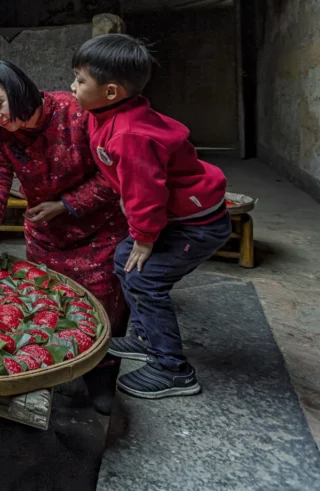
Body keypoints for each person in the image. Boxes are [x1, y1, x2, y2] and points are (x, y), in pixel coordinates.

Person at [0, 60, 128, 413]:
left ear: (18, 90)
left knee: (103, 310)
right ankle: (54, 371)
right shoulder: (2, 137)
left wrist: (65, 204)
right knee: (49, 308)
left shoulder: (77, 113)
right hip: (45, 237)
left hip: (99, 236)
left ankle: (102, 378)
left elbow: (115, 175)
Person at [71, 34, 231, 399]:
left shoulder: (129, 133)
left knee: (145, 279)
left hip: (196, 223)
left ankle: (173, 370)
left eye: (81, 81)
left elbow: (147, 192)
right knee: (124, 260)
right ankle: (144, 337)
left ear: (111, 92)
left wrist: (144, 237)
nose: (73, 87)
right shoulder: (106, 113)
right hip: (173, 217)